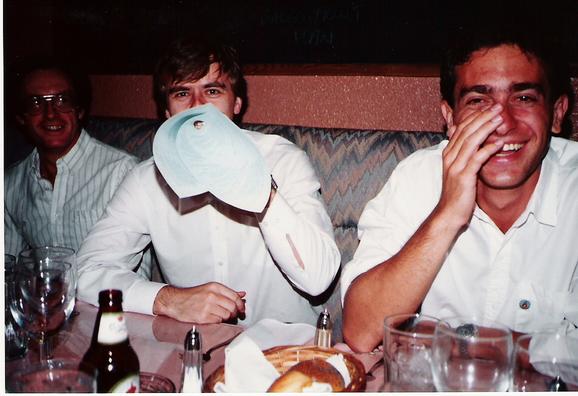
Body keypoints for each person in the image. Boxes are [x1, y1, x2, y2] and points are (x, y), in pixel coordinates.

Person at [341, 25, 577, 352]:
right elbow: (360, 330)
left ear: (557, 113)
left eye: (523, 98)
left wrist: (469, 346)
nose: (503, 123)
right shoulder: (418, 177)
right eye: (479, 101)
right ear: (450, 119)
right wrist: (448, 213)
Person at [76, 37, 340, 326]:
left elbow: (318, 279)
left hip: (286, 354)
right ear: (166, 112)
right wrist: (168, 299)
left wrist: (260, 187)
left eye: (212, 90)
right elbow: (87, 271)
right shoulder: (145, 180)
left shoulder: (283, 160)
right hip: (195, 350)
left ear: (236, 103)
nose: (197, 106)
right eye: (181, 94)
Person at [4, 59, 150, 280]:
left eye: (62, 100)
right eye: (35, 103)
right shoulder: (10, 184)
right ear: (21, 116)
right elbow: (9, 269)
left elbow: (138, 276)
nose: (50, 113)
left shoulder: (122, 173)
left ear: (79, 110)